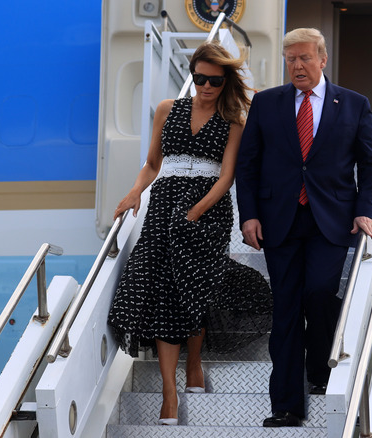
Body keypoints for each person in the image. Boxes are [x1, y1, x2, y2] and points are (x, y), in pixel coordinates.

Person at [107, 42, 271, 426]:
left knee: (194, 288)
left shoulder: (234, 120)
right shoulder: (168, 109)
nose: (207, 86)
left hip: (208, 211)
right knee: (164, 292)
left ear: (225, 80)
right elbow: (152, 164)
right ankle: (169, 393)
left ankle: (194, 362)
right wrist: (135, 192)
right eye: (200, 78)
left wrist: (195, 212)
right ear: (191, 75)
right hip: (164, 206)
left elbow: (227, 175)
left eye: (215, 80)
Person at [235, 28, 372, 427]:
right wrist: (247, 215)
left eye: (304, 58)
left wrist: (365, 209)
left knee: (318, 293)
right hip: (278, 221)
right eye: (290, 59)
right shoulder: (267, 104)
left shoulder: (353, 104)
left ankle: (319, 369)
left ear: (322, 59)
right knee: (285, 311)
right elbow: (247, 165)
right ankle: (286, 405)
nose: (297, 66)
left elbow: (371, 165)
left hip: (332, 220)